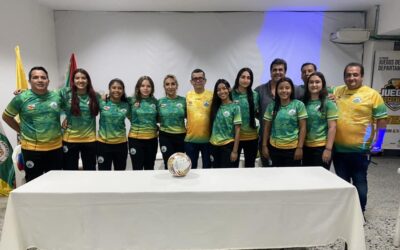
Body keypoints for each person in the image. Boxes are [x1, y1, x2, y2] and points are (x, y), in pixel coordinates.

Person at [332, 62, 387, 213]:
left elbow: (382, 120)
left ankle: (359, 212)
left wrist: (379, 143)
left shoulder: (372, 94)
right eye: (348, 75)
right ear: (344, 77)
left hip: (361, 150)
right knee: (342, 183)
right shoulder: (337, 91)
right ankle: (345, 213)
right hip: (338, 149)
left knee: (360, 182)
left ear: (362, 76)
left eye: (355, 74)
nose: (351, 78)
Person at [2, 66, 63, 181]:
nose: (40, 80)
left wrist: (66, 121)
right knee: (34, 182)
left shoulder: (57, 96)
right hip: (32, 150)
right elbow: (6, 116)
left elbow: (72, 107)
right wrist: (20, 130)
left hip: (56, 148)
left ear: (48, 81)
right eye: (35, 77)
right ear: (29, 81)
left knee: (56, 182)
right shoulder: (21, 98)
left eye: (43, 77)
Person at [262, 77, 307, 167]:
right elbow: (267, 128)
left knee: (291, 177)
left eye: (287, 88)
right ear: (277, 90)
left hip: (293, 149)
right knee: (276, 177)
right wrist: (264, 146)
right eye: (281, 88)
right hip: (274, 148)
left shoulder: (298, 105)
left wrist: (300, 147)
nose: (284, 90)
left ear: (291, 90)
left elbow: (303, 128)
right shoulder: (271, 106)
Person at [60, 68, 99, 171]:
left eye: (83, 78)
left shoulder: (96, 96)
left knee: (90, 171)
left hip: (90, 140)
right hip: (70, 140)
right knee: (70, 171)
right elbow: (47, 95)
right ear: (73, 80)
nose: (80, 80)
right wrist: (27, 91)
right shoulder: (65, 93)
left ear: (88, 80)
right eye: (77, 78)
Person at [255, 58, 287, 167]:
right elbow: (251, 108)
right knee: (268, 173)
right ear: (270, 72)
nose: (277, 72)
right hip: (265, 140)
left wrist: (329, 93)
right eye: (274, 70)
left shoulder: (293, 90)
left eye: (280, 70)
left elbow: (311, 91)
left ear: (285, 72)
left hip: (287, 141)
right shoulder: (259, 90)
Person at [302, 72, 338, 169]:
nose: (314, 85)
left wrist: (328, 149)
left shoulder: (328, 103)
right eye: (311, 82)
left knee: (320, 180)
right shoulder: (303, 103)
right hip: (305, 147)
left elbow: (332, 127)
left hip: (321, 147)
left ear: (323, 84)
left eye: (317, 82)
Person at [97, 78, 130, 171]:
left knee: (120, 174)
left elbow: (134, 119)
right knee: (103, 174)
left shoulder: (126, 105)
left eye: (119, 88)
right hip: (103, 144)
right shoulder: (102, 102)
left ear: (123, 90)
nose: (116, 90)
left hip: (121, 144)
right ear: (109, 89)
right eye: (114, 87)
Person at [128, 76, 158, 170]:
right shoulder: (130, 100)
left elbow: (159, 118)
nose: (145, 88)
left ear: (152, 88)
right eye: (142, 86)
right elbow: (116, 98)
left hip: (152, 140)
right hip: (135, 140)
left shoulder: (156, 102)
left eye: (148, 86)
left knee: (150, 168)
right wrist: (106, 96)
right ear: (138, 87)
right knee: (137, 168)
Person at [209, 79, 241, 168]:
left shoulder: (235, 107)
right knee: (215, 173)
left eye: (224, 88)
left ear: (229, 89)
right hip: (213, 145)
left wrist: (235, 151)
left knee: (226, 175)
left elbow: (237, 129)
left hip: (227, 146)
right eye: (218, 90)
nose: (221, 91)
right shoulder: (215, 106)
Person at [185, 69, 213, 169]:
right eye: (195, 78)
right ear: (191, 81)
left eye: (200, 78)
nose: (198, 80)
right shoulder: (187, 96)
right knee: (191, 169)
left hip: (208, 140)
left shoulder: (212, 95)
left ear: (205, 80)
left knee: (208, 169)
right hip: (190, 140)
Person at [231, 67, 259, 167]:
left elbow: (258, 113)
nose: (245, 80)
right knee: (232, 167)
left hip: (252, 137)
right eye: (243, 77)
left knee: (250, 167)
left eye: (248, 78)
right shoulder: (230, 94)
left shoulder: (255, 95)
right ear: (238, 78)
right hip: (233, 138)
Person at [157, 75, 186, 169]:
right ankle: (168, 184)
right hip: (165, 136)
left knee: (179, 163)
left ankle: (179, 183)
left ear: (177, 86)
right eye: (167, 84)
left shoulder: (183, 101)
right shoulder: (160, 102)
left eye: (173, 84)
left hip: (181, 136)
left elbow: (190, 116)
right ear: (164, 87)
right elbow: (155, 118)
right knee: (168, 162)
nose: (170, 86)